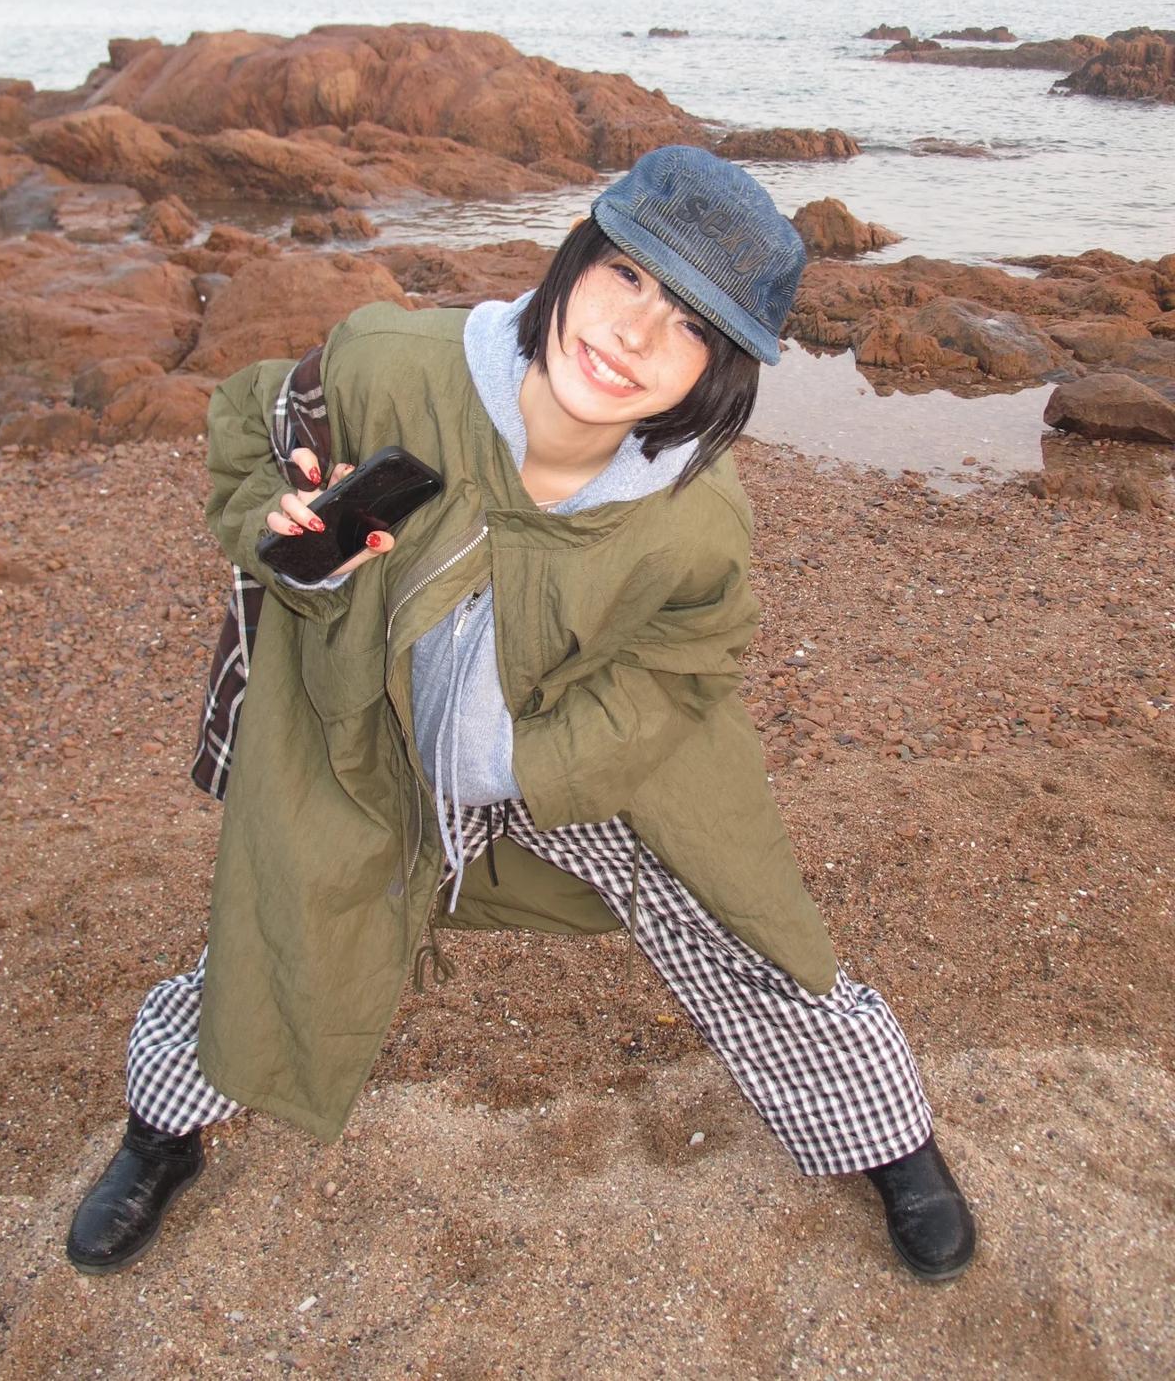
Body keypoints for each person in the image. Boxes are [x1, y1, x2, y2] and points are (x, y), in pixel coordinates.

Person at [66, 145, 975, 1282]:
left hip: (577, 753)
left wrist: (539, 759)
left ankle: (886, 1136)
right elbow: (250, 433)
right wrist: (289, 529)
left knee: (741, 923)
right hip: (374, 735)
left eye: (692, 323)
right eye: (628, 275)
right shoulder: (385, 366)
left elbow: (688, 659)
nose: (634, 335)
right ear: (576, 257)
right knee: (285, 920)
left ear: (723, 370)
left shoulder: (696, 517)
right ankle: (162, 1131)